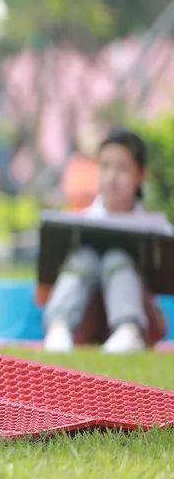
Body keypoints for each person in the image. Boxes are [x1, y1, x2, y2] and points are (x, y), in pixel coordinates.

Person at [43, 129, 173, 353]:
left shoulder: (156, 227)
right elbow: (42, 292)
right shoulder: (78, 222)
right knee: (84, 257)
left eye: (122, 168)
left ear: (141, 175)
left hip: (142, 321)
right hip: (86, 321)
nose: (111, 177)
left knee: (117, 258)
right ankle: (59, 329)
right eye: (105, 166)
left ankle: (128, 331)